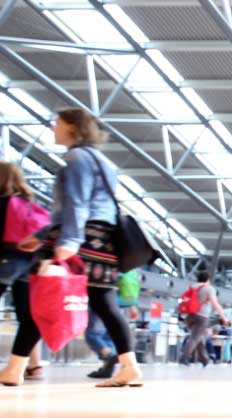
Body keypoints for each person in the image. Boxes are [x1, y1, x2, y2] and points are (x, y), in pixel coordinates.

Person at [6, 109, 144, 387]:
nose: (53, 128)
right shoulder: (101, 160)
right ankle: (129, 366)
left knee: (42, 300)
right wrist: (41, 234)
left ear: (72, 127)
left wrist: (67, 242)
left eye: (57, 123)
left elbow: (78, 204)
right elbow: (90, 205)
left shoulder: (77, 158)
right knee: (105, 305)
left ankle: (14, 369)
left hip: (79, 238)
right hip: (101, 239)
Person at [0, 161, 44, 386]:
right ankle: (17, 369)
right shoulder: (29, 204)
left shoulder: (3, 202)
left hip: (5, 259)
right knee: (30, 317)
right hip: (30, 263)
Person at [181, 271, 229, 367]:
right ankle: (184, 357)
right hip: (202, 317)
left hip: (189, 316)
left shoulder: (192, 287)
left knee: (199, 337)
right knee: (194, 338)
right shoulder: (209, 289)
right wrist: (224, 318)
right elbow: (215, 304)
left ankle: (204, 360)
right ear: (208, 279)